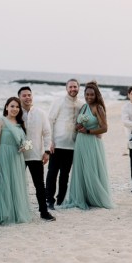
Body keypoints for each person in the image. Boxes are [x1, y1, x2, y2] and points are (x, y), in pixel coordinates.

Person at [62, 81, 112, 209]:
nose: (89, 97)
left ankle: (94, 197)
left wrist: (89, 131)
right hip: (80, 142)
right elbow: (79, 124)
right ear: (84, 94)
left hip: (91, 142)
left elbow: (104, 128)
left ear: (96, 95)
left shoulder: (98, 108)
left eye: (91, 95)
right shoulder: (84, 107)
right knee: (81, 169)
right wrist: (78, 126)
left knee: (91, 169)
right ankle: (82, 196)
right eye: (87, 94)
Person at [0, 97, 32, 225]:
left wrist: (25, 147)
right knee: (4, 183)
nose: (14, 109)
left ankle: (16, 212)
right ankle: (4, 213)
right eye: (12, 106)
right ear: (6, 107)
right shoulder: (0, 121)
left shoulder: (21, 123)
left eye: (17, 107)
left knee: (16, 184)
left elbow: (27, 143)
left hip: (17, 157)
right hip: (4, 154)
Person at [17, 86, 55, 221]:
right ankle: (17, 211)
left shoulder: (40, 113)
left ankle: (44, 212)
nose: (27, 97)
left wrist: (46, 152)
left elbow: (47, 133)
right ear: (19, 97)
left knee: (39, 184)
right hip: (18, 155)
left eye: (29, 95)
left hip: (35, 154)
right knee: (17, 183)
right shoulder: (15, 113)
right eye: (24, 95)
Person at [46, 79, 83, 210]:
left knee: (65, 175)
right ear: (66, 88)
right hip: (57, 144)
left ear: (79, 88)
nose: (73, 89)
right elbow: (50, 120)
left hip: (72, 145)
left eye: (75, 87)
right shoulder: (59, 101)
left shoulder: (81, 104)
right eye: (71, 87)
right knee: (52, 173)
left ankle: (60, 200)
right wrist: (50, 141)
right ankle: (49, 200)